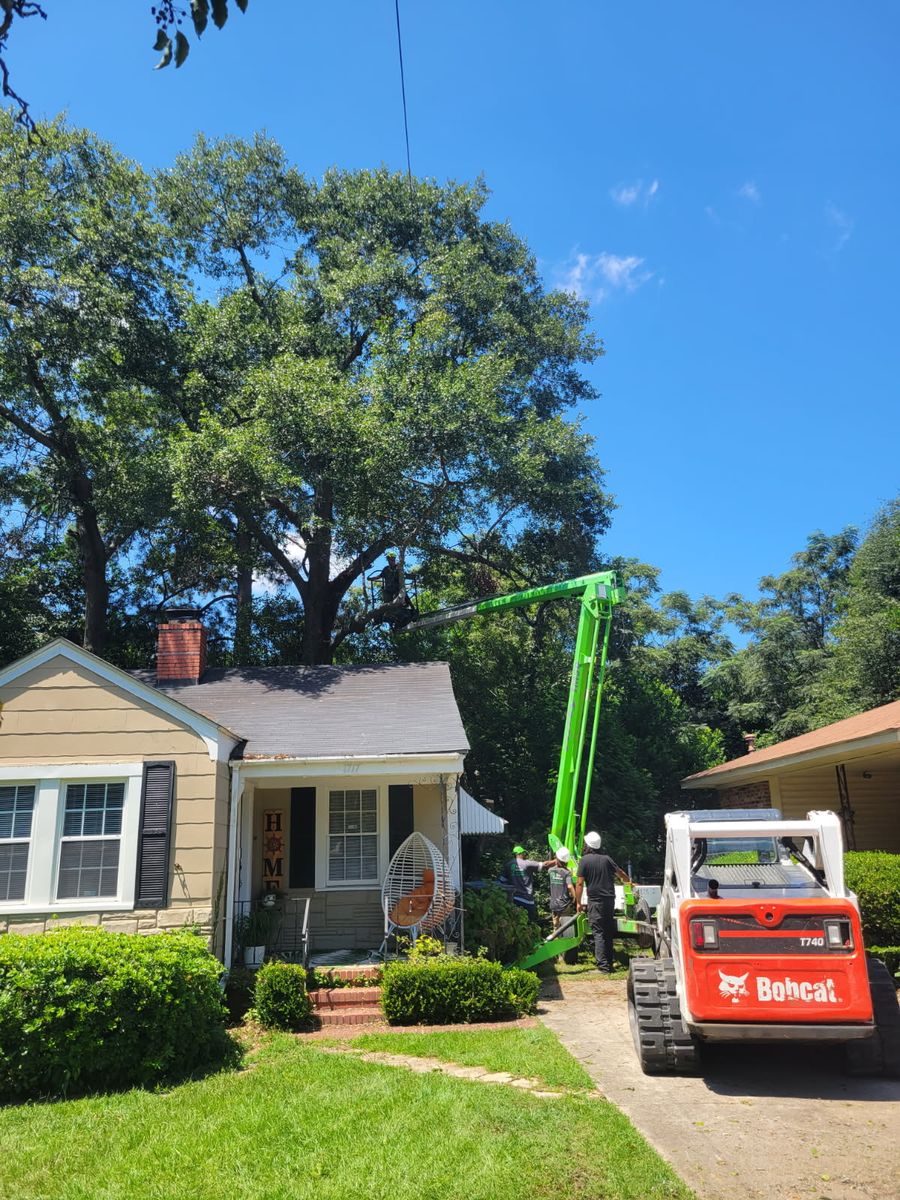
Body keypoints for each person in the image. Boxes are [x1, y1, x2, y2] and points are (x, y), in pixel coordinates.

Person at [576, 831, 631, 973]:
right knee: (607, 932)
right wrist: (629, 883)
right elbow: (621, 873)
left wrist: (578, 902)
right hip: (609, 901)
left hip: (595, 901)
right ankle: (610, 964)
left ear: (587, 845)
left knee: (598, 932)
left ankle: (603, 967)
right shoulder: (607, 859)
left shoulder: (584, 860)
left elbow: (580, 883)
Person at [505, 844, 555, 921]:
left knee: (517, 922)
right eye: (524, 853)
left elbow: (501, 881)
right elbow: (545, 865)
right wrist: (558, 860)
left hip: (513, 899)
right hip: (527, 900)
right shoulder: (527, 863)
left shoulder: (508, 865)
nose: (525, 855)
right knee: (531, 922)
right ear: (520, 854)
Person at [548, 847, 576, 932]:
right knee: (565, 927)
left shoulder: (551, 871)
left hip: (553, 903)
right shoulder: (567, 873)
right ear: (567, 861)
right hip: (564, 904)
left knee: (556, 926)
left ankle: (555, 938)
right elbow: (570, 886)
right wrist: (575, 897)